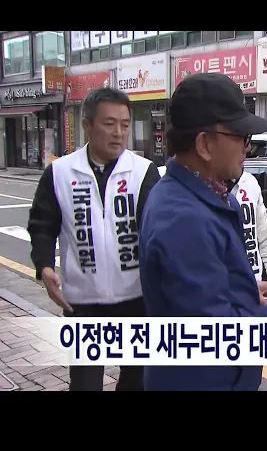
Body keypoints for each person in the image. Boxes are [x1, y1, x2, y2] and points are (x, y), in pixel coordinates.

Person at [139, 73, 267, 392]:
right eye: (241, 136)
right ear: (204, 144)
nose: (248, 147)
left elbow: (198, 287)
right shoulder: (183, 218)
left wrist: (243, 288)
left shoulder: (204, 195)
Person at [27, 87, 161, 391]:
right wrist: (44, 266)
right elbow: (42, 225)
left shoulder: (143, 172)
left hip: (136, 299)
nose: (118, 133)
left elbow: (157, 232)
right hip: (83, 303)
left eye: (124, 124)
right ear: (87, 125)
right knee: (85, 384)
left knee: (137, 382)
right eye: (109, 123)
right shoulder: (60, 172)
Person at [226, 169, 267, 285]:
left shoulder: (250, 182)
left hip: (254, 279)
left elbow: (264, 236)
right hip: (229, 284)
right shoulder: (209, 188)